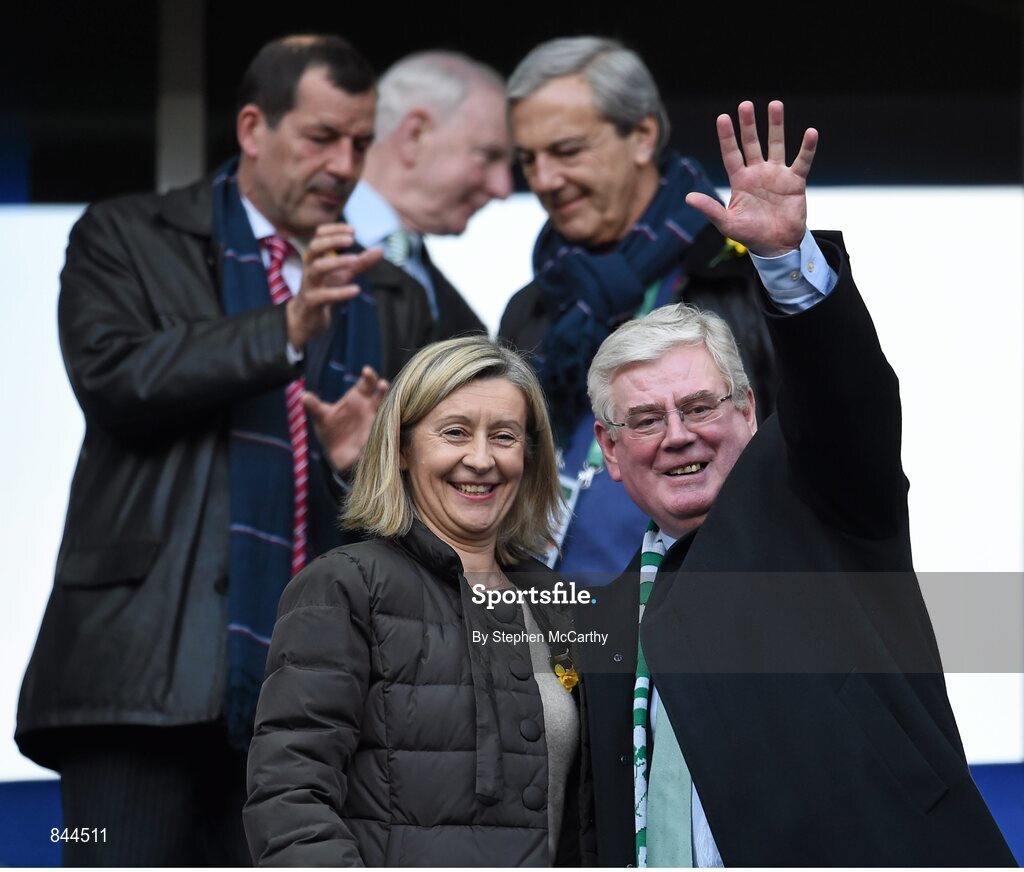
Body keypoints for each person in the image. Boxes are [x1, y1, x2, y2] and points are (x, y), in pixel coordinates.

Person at [16, 35, 433, 866]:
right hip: (137, 681)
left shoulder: (386, 289)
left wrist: (358, 464)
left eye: (359, 141)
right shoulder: (125, 234)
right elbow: (113, 377)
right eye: (320, 137)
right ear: (252, 127)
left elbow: (424, 502)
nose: (344, 164)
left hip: (317, 695)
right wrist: (283, 329)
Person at [579, 101, 1015, 865]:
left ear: (750, 412)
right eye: (645, 421)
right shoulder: (603, 620)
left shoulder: (817, 495)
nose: (677, 434)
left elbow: (848, 399)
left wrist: (785, 261)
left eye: (700, 405)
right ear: (610, 453)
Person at [244, 336, 594, 866]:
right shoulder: (345, 586)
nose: (481, 459)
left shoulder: (555, 602)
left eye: (504, 436)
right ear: (403, 449)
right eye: (454, 432)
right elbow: (289, 802)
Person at [498, 36, 778, 575]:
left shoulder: (738, 279)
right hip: (550, 625)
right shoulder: (533, 304)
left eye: (566, 150)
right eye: (529, 159)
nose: (544, 180)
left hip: (704, 614)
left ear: (643, 135)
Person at [345, 50, 510, 340]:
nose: (503, 188)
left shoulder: (462, 322)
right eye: (488, 156)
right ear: (415, 135)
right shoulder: (285, 246)